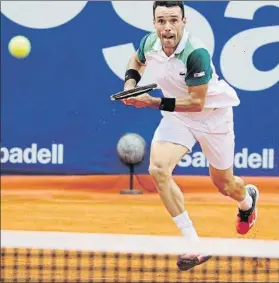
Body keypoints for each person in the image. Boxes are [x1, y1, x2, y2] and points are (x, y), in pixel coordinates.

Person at [121, 1, 259, 271]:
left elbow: (197, 102)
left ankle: (247, 200)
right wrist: (130, 85)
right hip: (177, 117)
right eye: (161, 21)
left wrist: (150, 102)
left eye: (173, 20)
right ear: (154, 24)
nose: (167, 27)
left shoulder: (196, 53)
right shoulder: (150, 43)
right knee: (158, 169)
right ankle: (194, 244)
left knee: (225, 184)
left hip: (212, 116)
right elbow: (137, 60)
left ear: (184, 22)